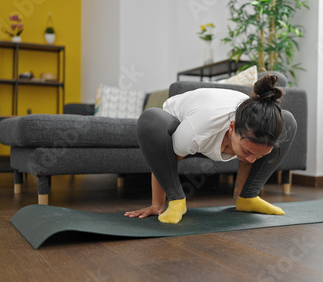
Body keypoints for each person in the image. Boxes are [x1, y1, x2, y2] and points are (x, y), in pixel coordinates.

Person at [124, 72, 297, 224]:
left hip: (215, 123)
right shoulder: (195, 132)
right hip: (178, 121)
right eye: (247, 152)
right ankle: (177, 201)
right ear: (231, 128)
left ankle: (247, 197)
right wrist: (157, 204)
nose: (252, 160)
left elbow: (253, 153)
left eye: (259, 156)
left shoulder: (252, 127)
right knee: (151, 119)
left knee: (288, 121)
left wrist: (245, 187)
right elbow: (162, 163)